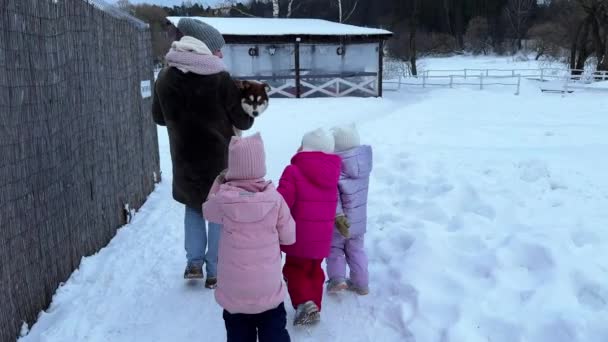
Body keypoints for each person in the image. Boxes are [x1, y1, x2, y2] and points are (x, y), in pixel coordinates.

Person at [152, 18, 254, 288]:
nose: (221, 54)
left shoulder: (164, 77)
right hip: (219, 162)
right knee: (219, 213)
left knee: (195, 209)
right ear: (205, 47)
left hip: (185, 160)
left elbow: (159, 118)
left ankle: (194, 263)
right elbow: (243, 122)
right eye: (217, 49)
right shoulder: (221, 79)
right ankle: (215, 270)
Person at [203, 133, 295, 342]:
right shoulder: (275, 199)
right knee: (274, 333)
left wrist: (218, 182)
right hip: (268, 289)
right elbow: (290, 237)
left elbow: (207, 211)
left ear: (232, 170)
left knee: (238, 335)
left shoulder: (223, 201)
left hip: (234, 294)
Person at [277, 128, 341, 326]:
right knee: (314, 269)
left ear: (304, 147)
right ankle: (314, 305)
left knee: (295, 269)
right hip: (322, 237)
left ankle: (304, 304)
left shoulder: (293, 171)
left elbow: (282, 202)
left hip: (299, 236)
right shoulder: (332, 174)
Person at [326, 124, 373, 296]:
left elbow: (334, 196)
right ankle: (361, 284)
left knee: (335, 248)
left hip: (340, 220)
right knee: (356, 250)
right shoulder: (363, 163)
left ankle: (337, 279)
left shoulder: (335, 166)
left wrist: (337, 215)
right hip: (359, 219)